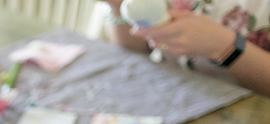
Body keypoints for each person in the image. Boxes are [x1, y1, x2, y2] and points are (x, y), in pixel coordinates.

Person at [102, 0, 270, 96]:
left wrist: (224, 46)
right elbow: (136, 49)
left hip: (244, 119)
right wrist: (118, 6)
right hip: (170, 94)